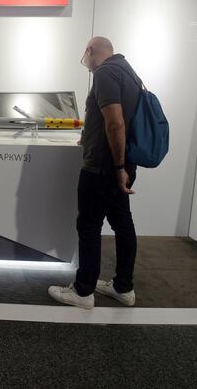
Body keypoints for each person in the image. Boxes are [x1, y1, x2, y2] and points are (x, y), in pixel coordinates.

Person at [48, 37, 141, 309]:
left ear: (89, 51)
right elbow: (111, 122)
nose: (87, 65)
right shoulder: (128, 71)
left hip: (102, 167)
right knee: (123, 225)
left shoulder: (104, 73)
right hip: (118, 164)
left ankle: (83, 290)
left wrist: (117, 167)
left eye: (85, 58)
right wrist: (92, 139)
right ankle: (124, 288)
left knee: (89, 227)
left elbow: (115, 122)